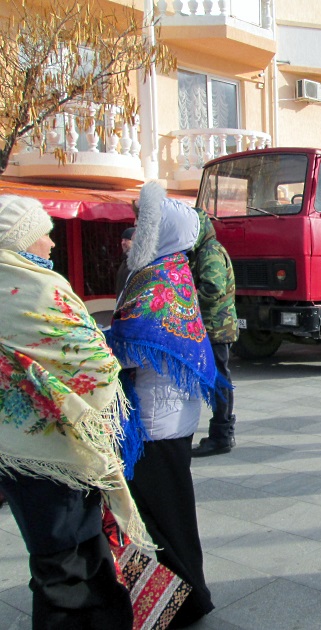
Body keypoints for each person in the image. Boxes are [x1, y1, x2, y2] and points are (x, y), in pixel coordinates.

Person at [0, 195, 151, 629]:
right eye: (43, 234)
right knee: (72, 562)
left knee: (50, 557)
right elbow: (96, 365)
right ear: (21, 240)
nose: (51, 243)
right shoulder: (40, 288)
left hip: (15, 451)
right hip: (61, 447)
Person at [108, 181, 224, 627]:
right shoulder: (168, 268)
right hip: (164, 414)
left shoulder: (159, 278)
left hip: (156, 421)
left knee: (159, 515)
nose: (137, 233)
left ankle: (180, 604)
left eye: (144, 227)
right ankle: (181, 598)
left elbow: (138, 346)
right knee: (170, 510)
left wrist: (100, 345)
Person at [190, 207, 240, 457]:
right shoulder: (203, 251)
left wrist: (183, 299)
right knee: (217, 379)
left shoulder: (209, 252)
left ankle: (221, 436)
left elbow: (213, 288)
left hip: (216, 328)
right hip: (213, 327)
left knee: (220, 381)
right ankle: (221, 434)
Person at [115, 226, 135, 297]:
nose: (123, 243)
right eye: (122, 240)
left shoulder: (138, 264)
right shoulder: (124, 262)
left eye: (126, 240)